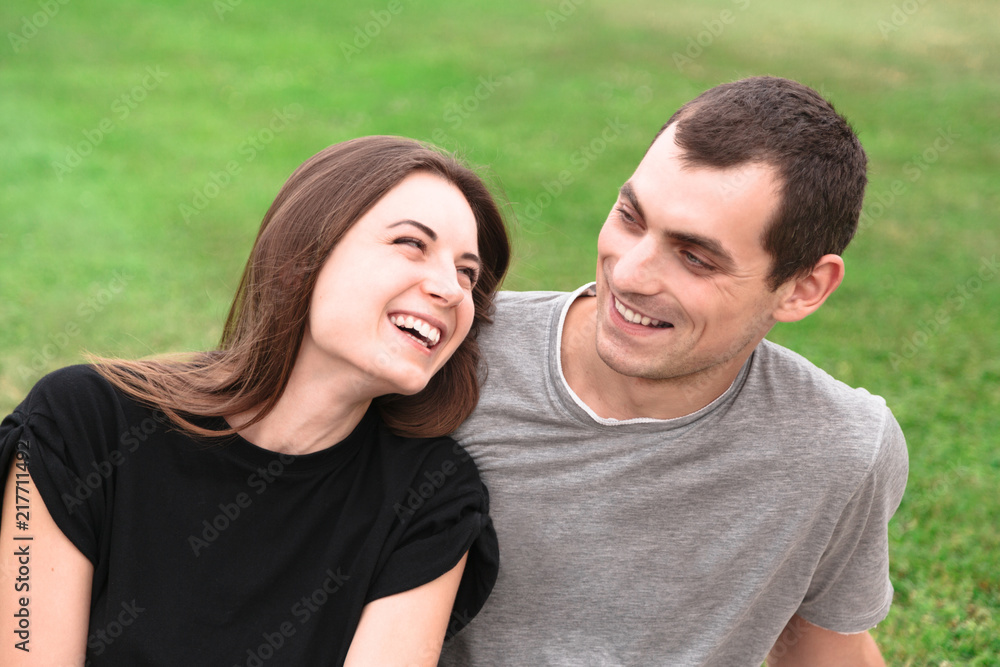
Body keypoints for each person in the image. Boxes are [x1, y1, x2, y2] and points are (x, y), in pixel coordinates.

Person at [438, 77, 908, 666]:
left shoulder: (842, 448)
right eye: (631, 217)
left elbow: (825, 655)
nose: (631, 274)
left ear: (802, 288)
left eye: (694, 257)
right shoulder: (454, 356)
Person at [0, 136, 511, 666]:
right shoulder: (81, 424)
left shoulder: (432, 498)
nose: (452, 289)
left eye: (467, 273)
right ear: (299, 259)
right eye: (411, 243)